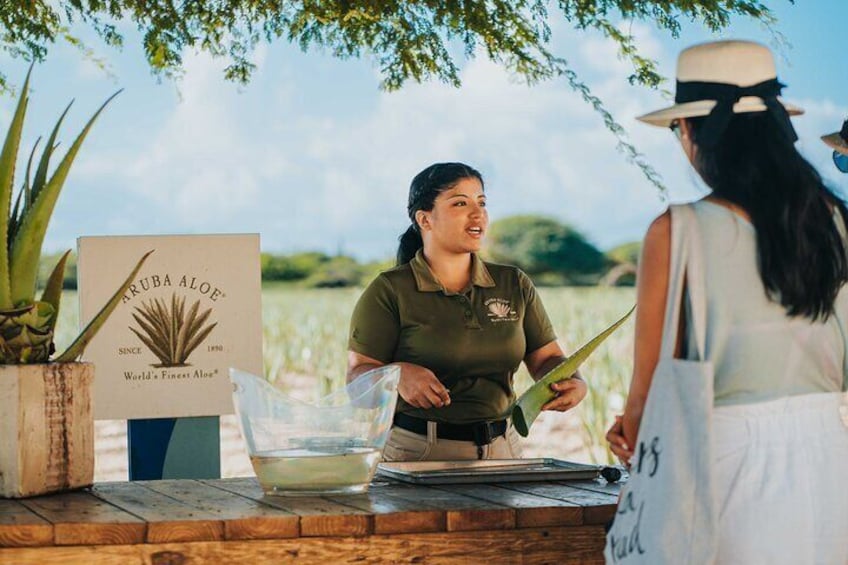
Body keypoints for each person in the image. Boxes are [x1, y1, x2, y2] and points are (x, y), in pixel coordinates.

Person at [605, 40, 848, 563]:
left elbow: (649, 399)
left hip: (727, 468)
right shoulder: (837, 223)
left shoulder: (677, 232)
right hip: (835, 464)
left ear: (693, 130)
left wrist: (629, 435)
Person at [347, 162, 587, 461]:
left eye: (482, 202)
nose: (478, 214)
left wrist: (574, 381)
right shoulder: (389, 290)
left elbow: (548, 358)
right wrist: (396, 375)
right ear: (425, 219)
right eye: (460, 203)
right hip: (418, 451)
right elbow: (356, 379)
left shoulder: (513, 283)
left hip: (504, 449)